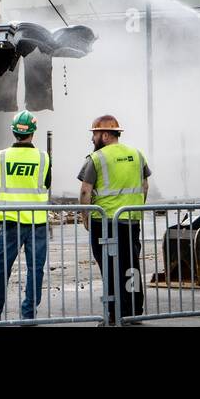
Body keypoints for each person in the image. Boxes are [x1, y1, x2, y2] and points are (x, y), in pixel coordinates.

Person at [0, 110, 51, 321]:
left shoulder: (1, 156)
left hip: (10, 222)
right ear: (33, 132)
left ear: (13, 131)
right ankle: (29, 314)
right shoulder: (43, 157)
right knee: (35, 269)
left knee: (0, 268)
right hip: (37, 222)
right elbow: (46, 184)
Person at [78, 114, 149, 324]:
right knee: (131, 266)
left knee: (109, 268)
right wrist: (136, 209)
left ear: (106, 135)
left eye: (95, 134)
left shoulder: (97, 158)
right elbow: (145, 186)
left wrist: (85, 217)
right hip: (131, 221)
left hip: (105, 223)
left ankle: (113, 314)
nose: (92, 139)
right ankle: (134, 311)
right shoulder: (137, 154)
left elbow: (85, 192)